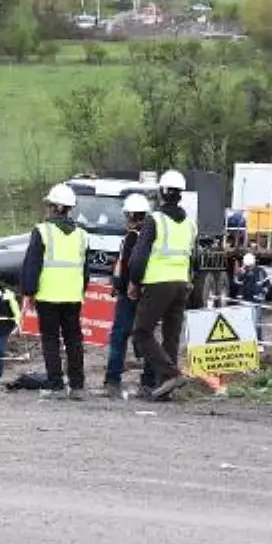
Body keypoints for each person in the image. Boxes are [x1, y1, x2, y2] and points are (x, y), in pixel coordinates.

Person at [128, 170, 197, 401]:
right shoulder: (189, 224)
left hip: (159, 282)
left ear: (161, 193)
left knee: (141, 331)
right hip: (182, 283)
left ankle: (170, 374)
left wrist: (135, 281)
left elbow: (140, 255)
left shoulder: (154, 220)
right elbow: (193, 257)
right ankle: (164, 388)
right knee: (171, 336)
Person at [20, 183, 89, 401]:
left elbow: (32, 264)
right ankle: (77, 386)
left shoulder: (42, 231)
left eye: (50, 204)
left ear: (57, 207)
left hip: (48, 295)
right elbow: (85, 269)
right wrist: (80, 290)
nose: (48, 208)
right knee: (73, 340)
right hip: (72, 296)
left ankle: (56, 385)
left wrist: (29, 291)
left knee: (50, 341)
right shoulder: (82, 235)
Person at [104, 193, 156, 399]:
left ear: (133, 215)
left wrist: (121, 285)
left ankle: (113, 380)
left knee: (119, 337)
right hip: (147, 294)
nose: (125, 219)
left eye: (127, 215)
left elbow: (128, 266)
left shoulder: (134, 237)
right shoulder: (152, 237)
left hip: (130, 295)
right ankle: (149, 381)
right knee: (146, 337)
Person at [232, 252, 272, 342]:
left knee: (257, 323)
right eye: (247, 266)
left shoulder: (261, 272)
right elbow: (235, 285)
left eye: (250, 266)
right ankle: (246, 342)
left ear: (253, 264)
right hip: (244, 302)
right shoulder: (242, 272)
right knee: (244, 323)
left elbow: (267, 284)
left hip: (257, 302)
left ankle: (259, 342)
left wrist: (263, 293)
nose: (249, 267)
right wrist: (239, 274)